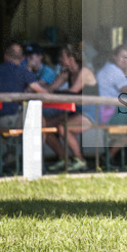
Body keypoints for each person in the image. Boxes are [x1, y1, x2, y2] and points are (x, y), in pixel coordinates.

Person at [44, 44, 98, 172]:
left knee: (63, 127)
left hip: (89, 112)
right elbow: (50, 89)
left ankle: (80, 160)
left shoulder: (85, 71)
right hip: (72, 111)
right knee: (45, 126)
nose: (60, 60)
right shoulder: (66, 73)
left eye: (62, 56)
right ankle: (64, 160)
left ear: (72, 57)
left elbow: (72, 92)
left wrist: (52, 93)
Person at [0, 42, 47, 129]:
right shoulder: (23, 72)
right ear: (22, 59)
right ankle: (36, 143)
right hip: (10, 119)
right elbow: (42, 91)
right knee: (40, 120)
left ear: (5, 56)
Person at [97, 44, 127, 126]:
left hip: (105, 108)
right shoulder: (113, 70)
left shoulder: (110, 67)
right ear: (115, 57)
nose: (126, 60)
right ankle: (121, 135)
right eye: (123, 56)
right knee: (126, 100)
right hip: (105, 111)